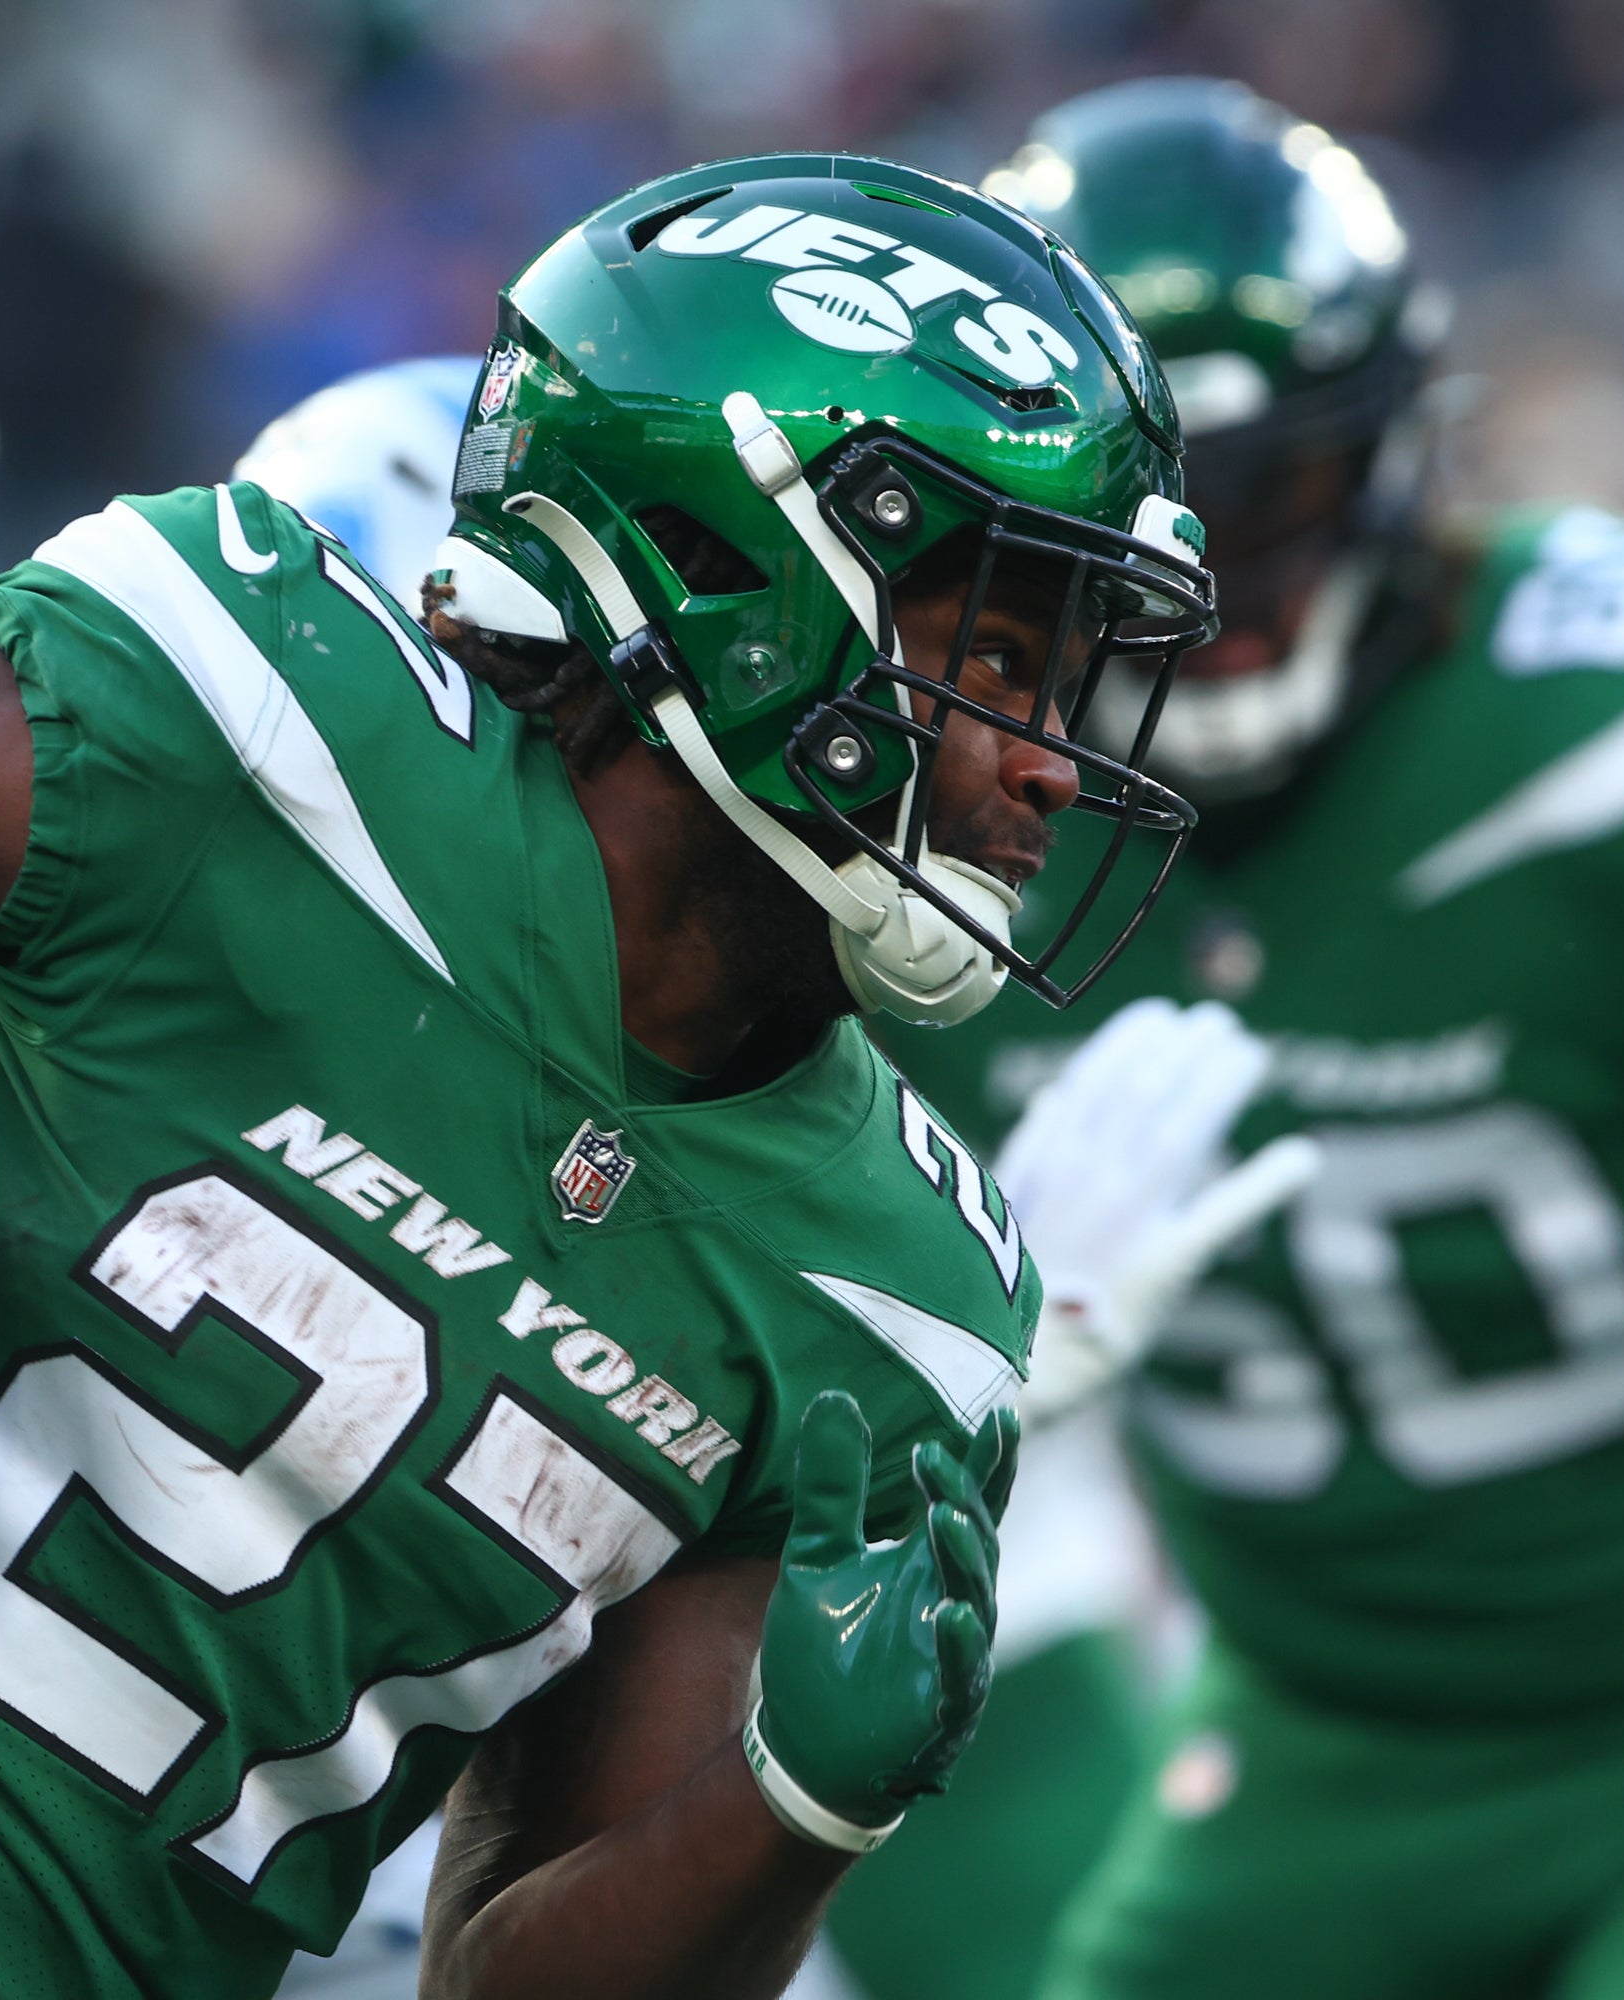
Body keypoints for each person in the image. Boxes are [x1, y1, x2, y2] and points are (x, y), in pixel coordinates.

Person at [0, 156, 1217, 2000]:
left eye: (1067, 686)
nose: (1045, 764)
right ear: (733, 573)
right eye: (993, 660)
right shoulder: (257, 740)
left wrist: (792, 1807)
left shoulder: (892, 1299)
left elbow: (500, 1973)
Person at [882, 77, 1624, 2000]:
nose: (1205, 601)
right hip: (1332, 1751)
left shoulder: (1610, 723)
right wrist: (977, 1386)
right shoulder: (914, 796)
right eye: (1135, 531)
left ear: (1395, 459)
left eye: (1266, 501)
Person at [234, 355, 1296, 2000]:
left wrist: (970, 1398)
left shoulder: (828, 1145)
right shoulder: (96, 934)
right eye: (435, 709)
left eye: (520, 714)